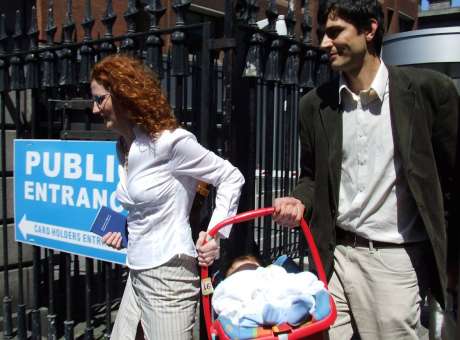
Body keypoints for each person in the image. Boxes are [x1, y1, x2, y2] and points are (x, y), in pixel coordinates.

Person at [273, 1, 459, 339]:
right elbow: (312, 177)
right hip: (334, 258)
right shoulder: (315, 104)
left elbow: (452, 182)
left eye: (334, 32)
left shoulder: (429, 93)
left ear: (370, 30)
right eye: (322, 34)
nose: (324, 44)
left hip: (395, 263)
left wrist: (449, 266)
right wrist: (298, 201)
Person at [90, 54, 245, 340]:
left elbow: (230, 176)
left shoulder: (170, 142)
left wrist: (215, 234)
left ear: (123, 95)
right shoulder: (123, 147)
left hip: (169, 275)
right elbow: (148, 206)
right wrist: (123, 229)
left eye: (100, 99)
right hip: (136, 271)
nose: (95, 109)